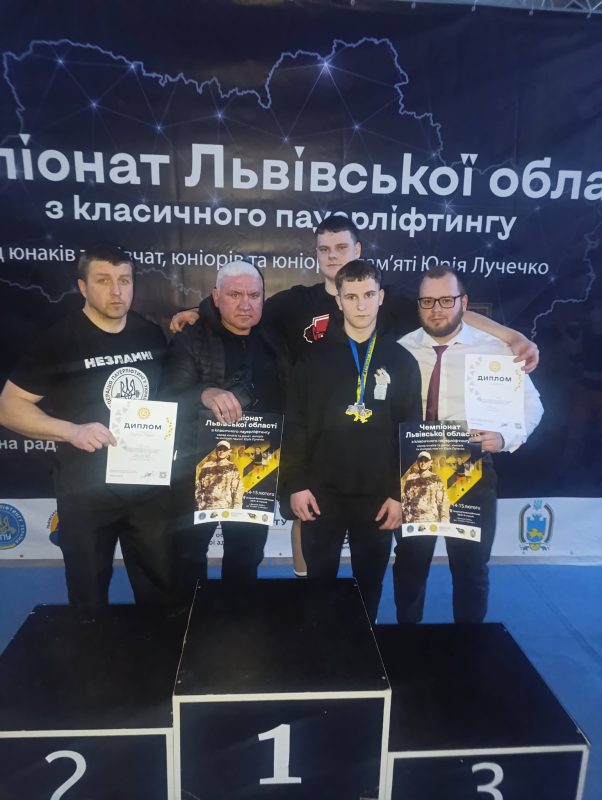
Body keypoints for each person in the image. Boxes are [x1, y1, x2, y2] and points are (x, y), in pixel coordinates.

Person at [169, 215, 540, 575]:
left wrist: (511, 336)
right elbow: (241, 307)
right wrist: (200, 312)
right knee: (310, 572)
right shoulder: (294, 302)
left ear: (360, 254)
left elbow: (444, 308)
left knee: (411, 572)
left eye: (341, 247)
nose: (333, 256)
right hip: (314, 463)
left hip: (374, 473)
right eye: (324, 249)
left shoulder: (388, 300)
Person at [0, 243, 173, 618]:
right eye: (103, 280)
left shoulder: (150, 334)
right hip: (86, 494)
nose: (116, 291)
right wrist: (72, 431)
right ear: (82, 286)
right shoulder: (58, 340)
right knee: (88, 599)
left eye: (124, 280)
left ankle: (160, 654)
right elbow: (9, 407)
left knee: (160, 595)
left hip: (146, 490)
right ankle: (90, 655)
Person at [394, 265, 544, 624]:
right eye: (428, 301)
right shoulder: (401, 350)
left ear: (464, 302)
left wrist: (505, 437)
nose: (436, 309)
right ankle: (406, 639)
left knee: (471, 569)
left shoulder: (496, 351)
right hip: (416, 471)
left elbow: (533, 406)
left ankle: (468, 643)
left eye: (446, 300)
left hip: (471, 471)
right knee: (411, 565)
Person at [280, 260, 423, 623]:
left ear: (381, 297)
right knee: (319, 583)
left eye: (369, 295)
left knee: (369, 585)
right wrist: (296, 484)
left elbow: (410, 431)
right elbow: (294, 425)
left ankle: (364, 645)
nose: (361, 305)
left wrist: (399, 493)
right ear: (339, 300)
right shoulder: (312, 359)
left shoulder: (402, 362)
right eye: (352, 296)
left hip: (377, 497)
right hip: (320, 494)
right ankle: (320, 647)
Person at [160, 259, 283, 598]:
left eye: (254, 295)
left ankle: (237, 622)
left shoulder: (275, 337)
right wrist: (205, 393)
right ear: (216, 297)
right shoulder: (191, 338)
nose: (245, 304)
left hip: (257, 466)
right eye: (234, 295)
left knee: (247, 557)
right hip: (195, 468)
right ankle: (188, 622)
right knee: (188, 557)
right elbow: (168, 399)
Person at [401, 451, 450, 523]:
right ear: (417, 461)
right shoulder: (410, 479)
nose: (423, 463)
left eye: (426, 460)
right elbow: (405, 500)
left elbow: (443, 501)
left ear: (430, 462)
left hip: (431, 520)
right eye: (421, 460)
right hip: (413, 521)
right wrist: (406, 518)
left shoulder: (435, 478)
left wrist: (444, 519)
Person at [195, 440, 244, 510]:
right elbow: (199, 486)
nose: (222, 451)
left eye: (225, 449)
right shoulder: (206, 466)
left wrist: (237, 507)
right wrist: (199, 504)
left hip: (225, 507)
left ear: (229, 452)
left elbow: (238, 488)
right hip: (207, 507)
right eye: (220, 449)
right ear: (216, 450)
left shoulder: (232, 467)